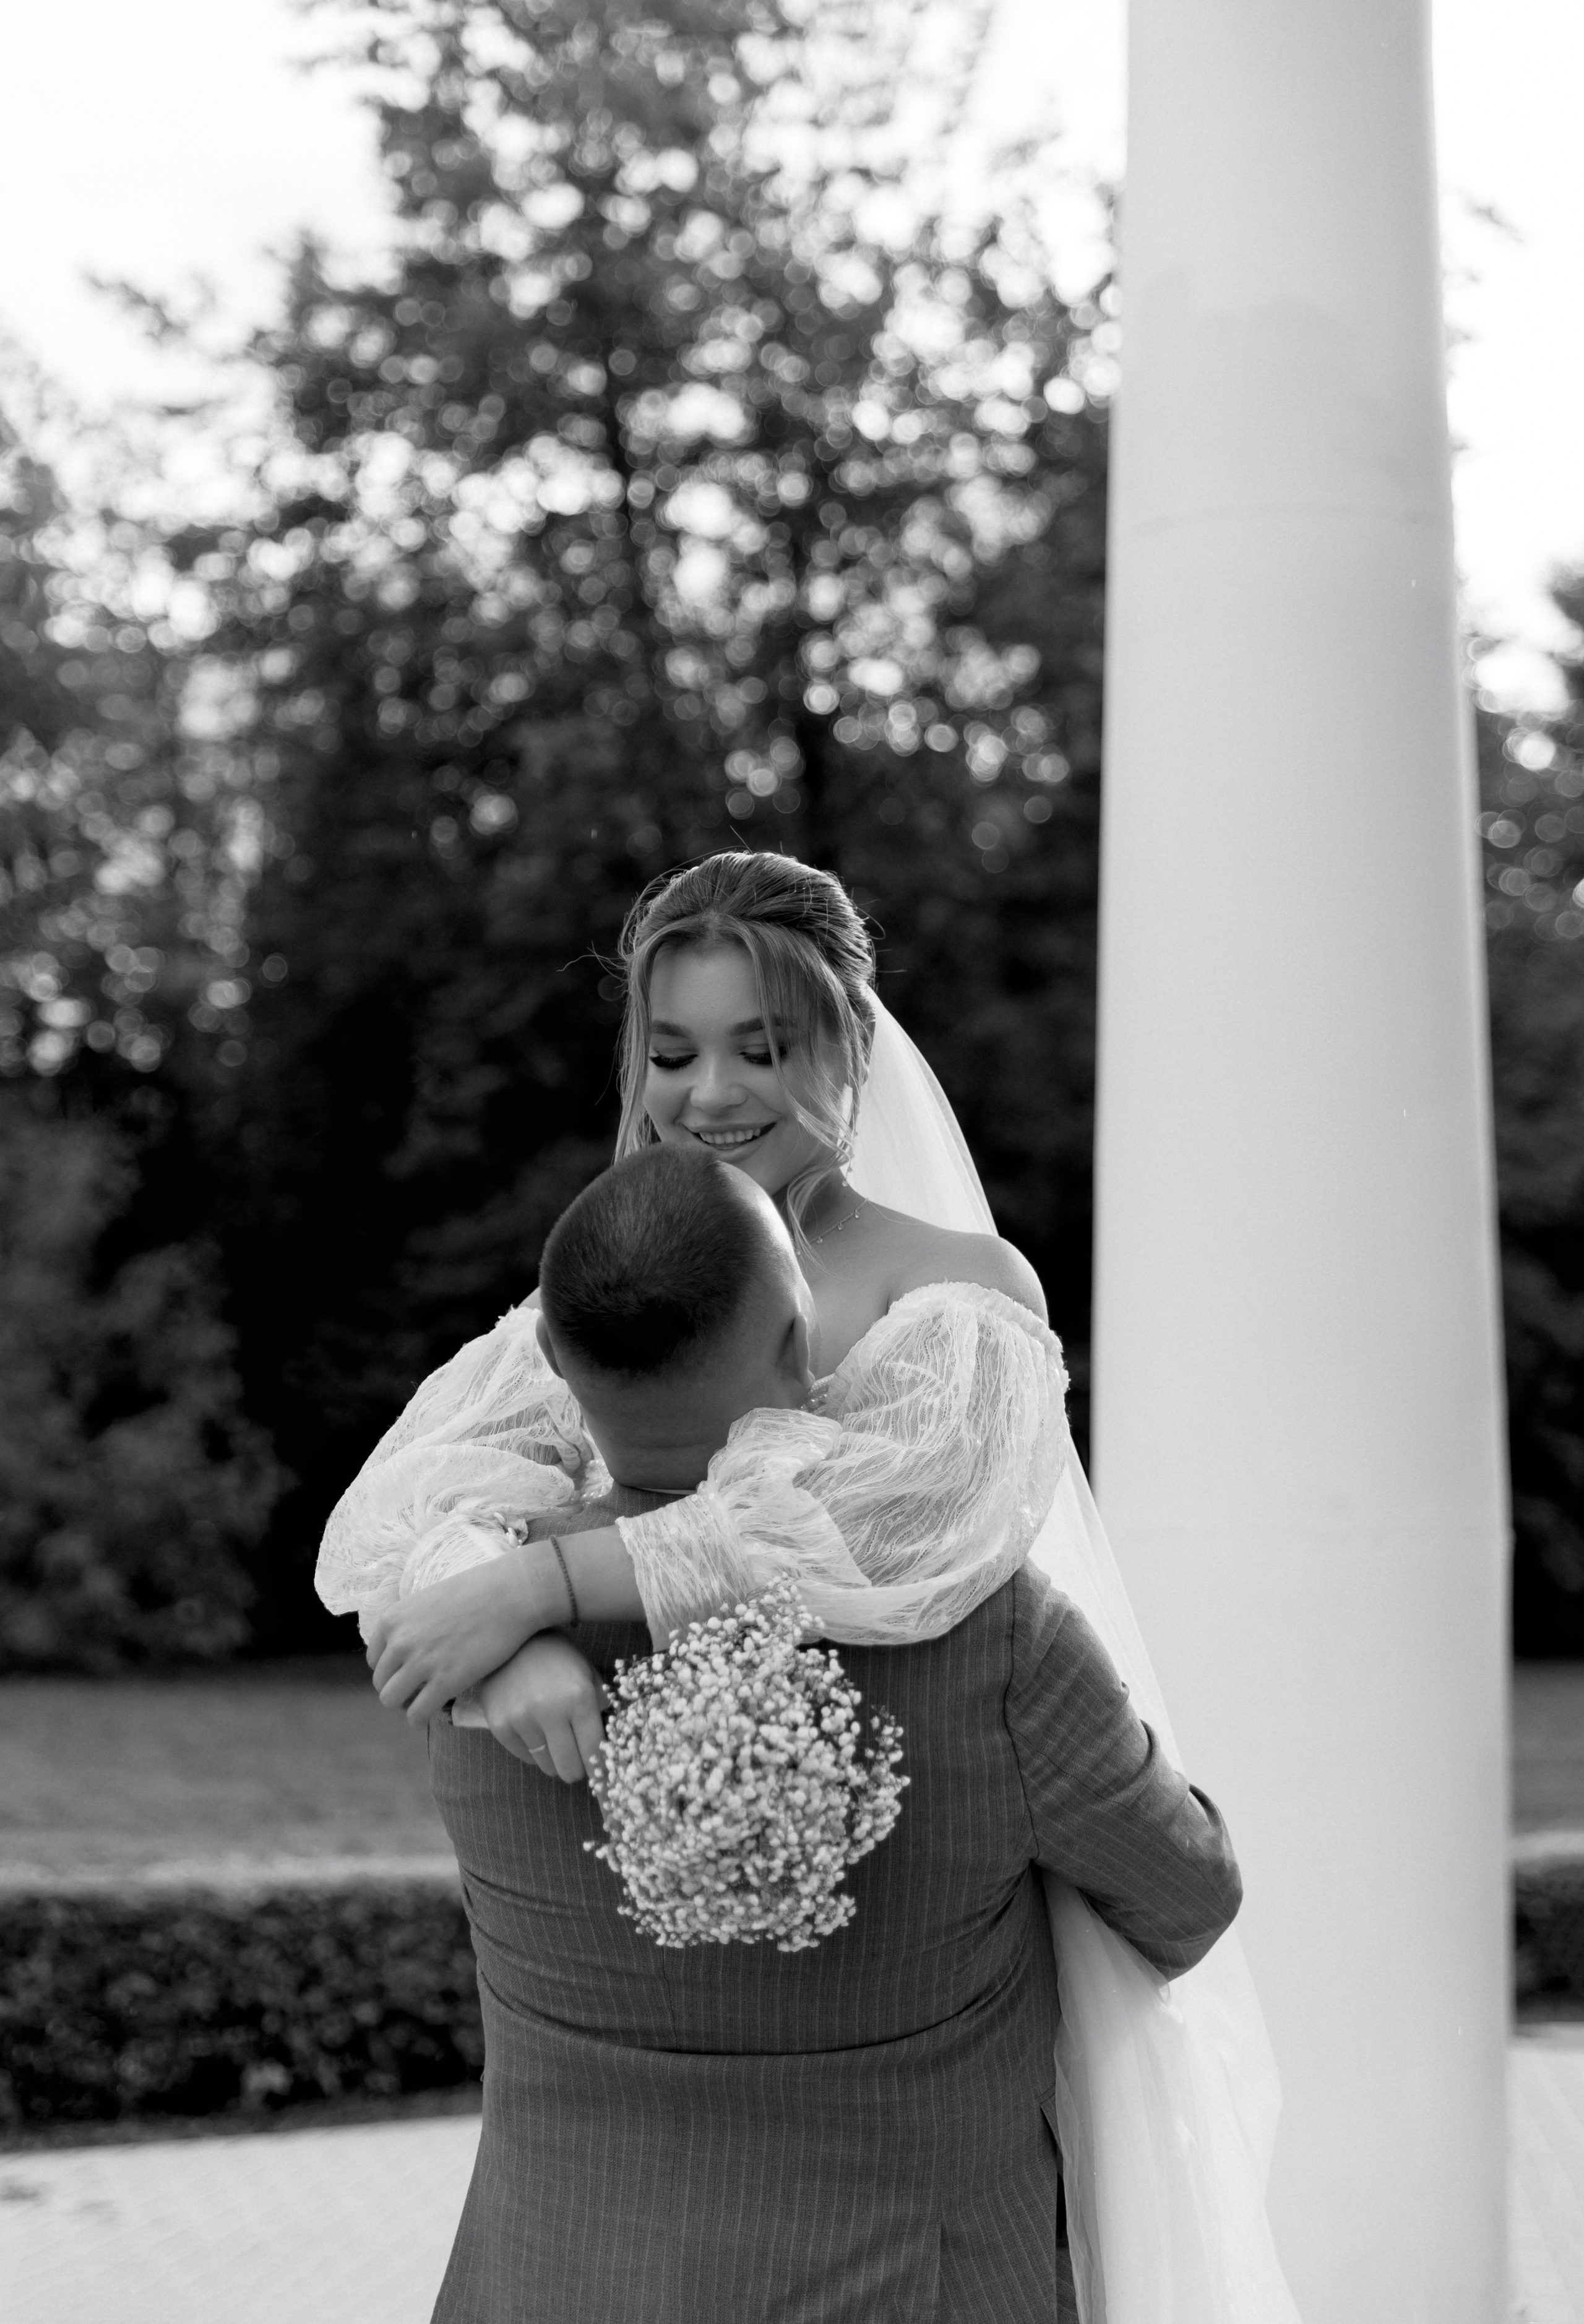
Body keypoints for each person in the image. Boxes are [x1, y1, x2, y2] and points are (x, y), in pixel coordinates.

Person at [317, 851, 1302, 2324]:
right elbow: (407, 1501)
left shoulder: (955, 1296)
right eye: (671, 1051)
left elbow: (905, 1525)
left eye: (760, 1048)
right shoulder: (594, 1291)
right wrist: (495, 1625)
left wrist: (547, 1586)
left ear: (850, 1043)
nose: (708, 1095)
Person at [426, 1142, 1244, 2323]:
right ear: (801, 1347)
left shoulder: (470, 1646)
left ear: (550, 1360)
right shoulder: (981, 1628)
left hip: (548, 2276)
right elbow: (1187, 1896)